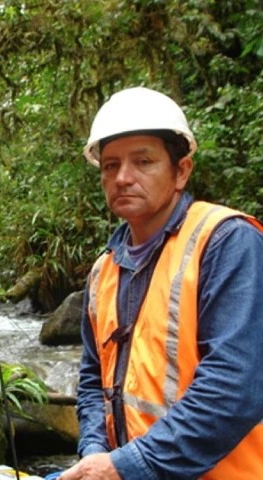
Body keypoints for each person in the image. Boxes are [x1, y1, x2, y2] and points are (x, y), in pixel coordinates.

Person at [60, 87, 263, 480]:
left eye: (143, 162)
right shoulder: (105, 269)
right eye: (110, 165)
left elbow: (235, 387)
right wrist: (94, 453)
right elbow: (91, 380)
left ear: (181, 171)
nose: (123, 177)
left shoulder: (227, 243)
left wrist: (125, 466)